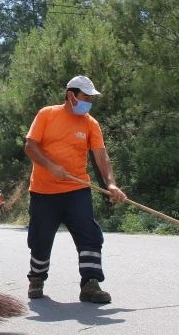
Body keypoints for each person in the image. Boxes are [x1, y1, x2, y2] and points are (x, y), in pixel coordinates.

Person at [23, 75, 127, 304]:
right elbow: (30, 146)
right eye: (85, 97)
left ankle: (90, 284)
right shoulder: (47, 114)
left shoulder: (90, 123)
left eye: (91, 98)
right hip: (44, 191)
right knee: (40, 238)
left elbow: (101, 156)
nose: (89, 102)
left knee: (90, 234)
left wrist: (110, 183)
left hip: (77, 190)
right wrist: (50, 166)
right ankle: (37, 279)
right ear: (71, 95)